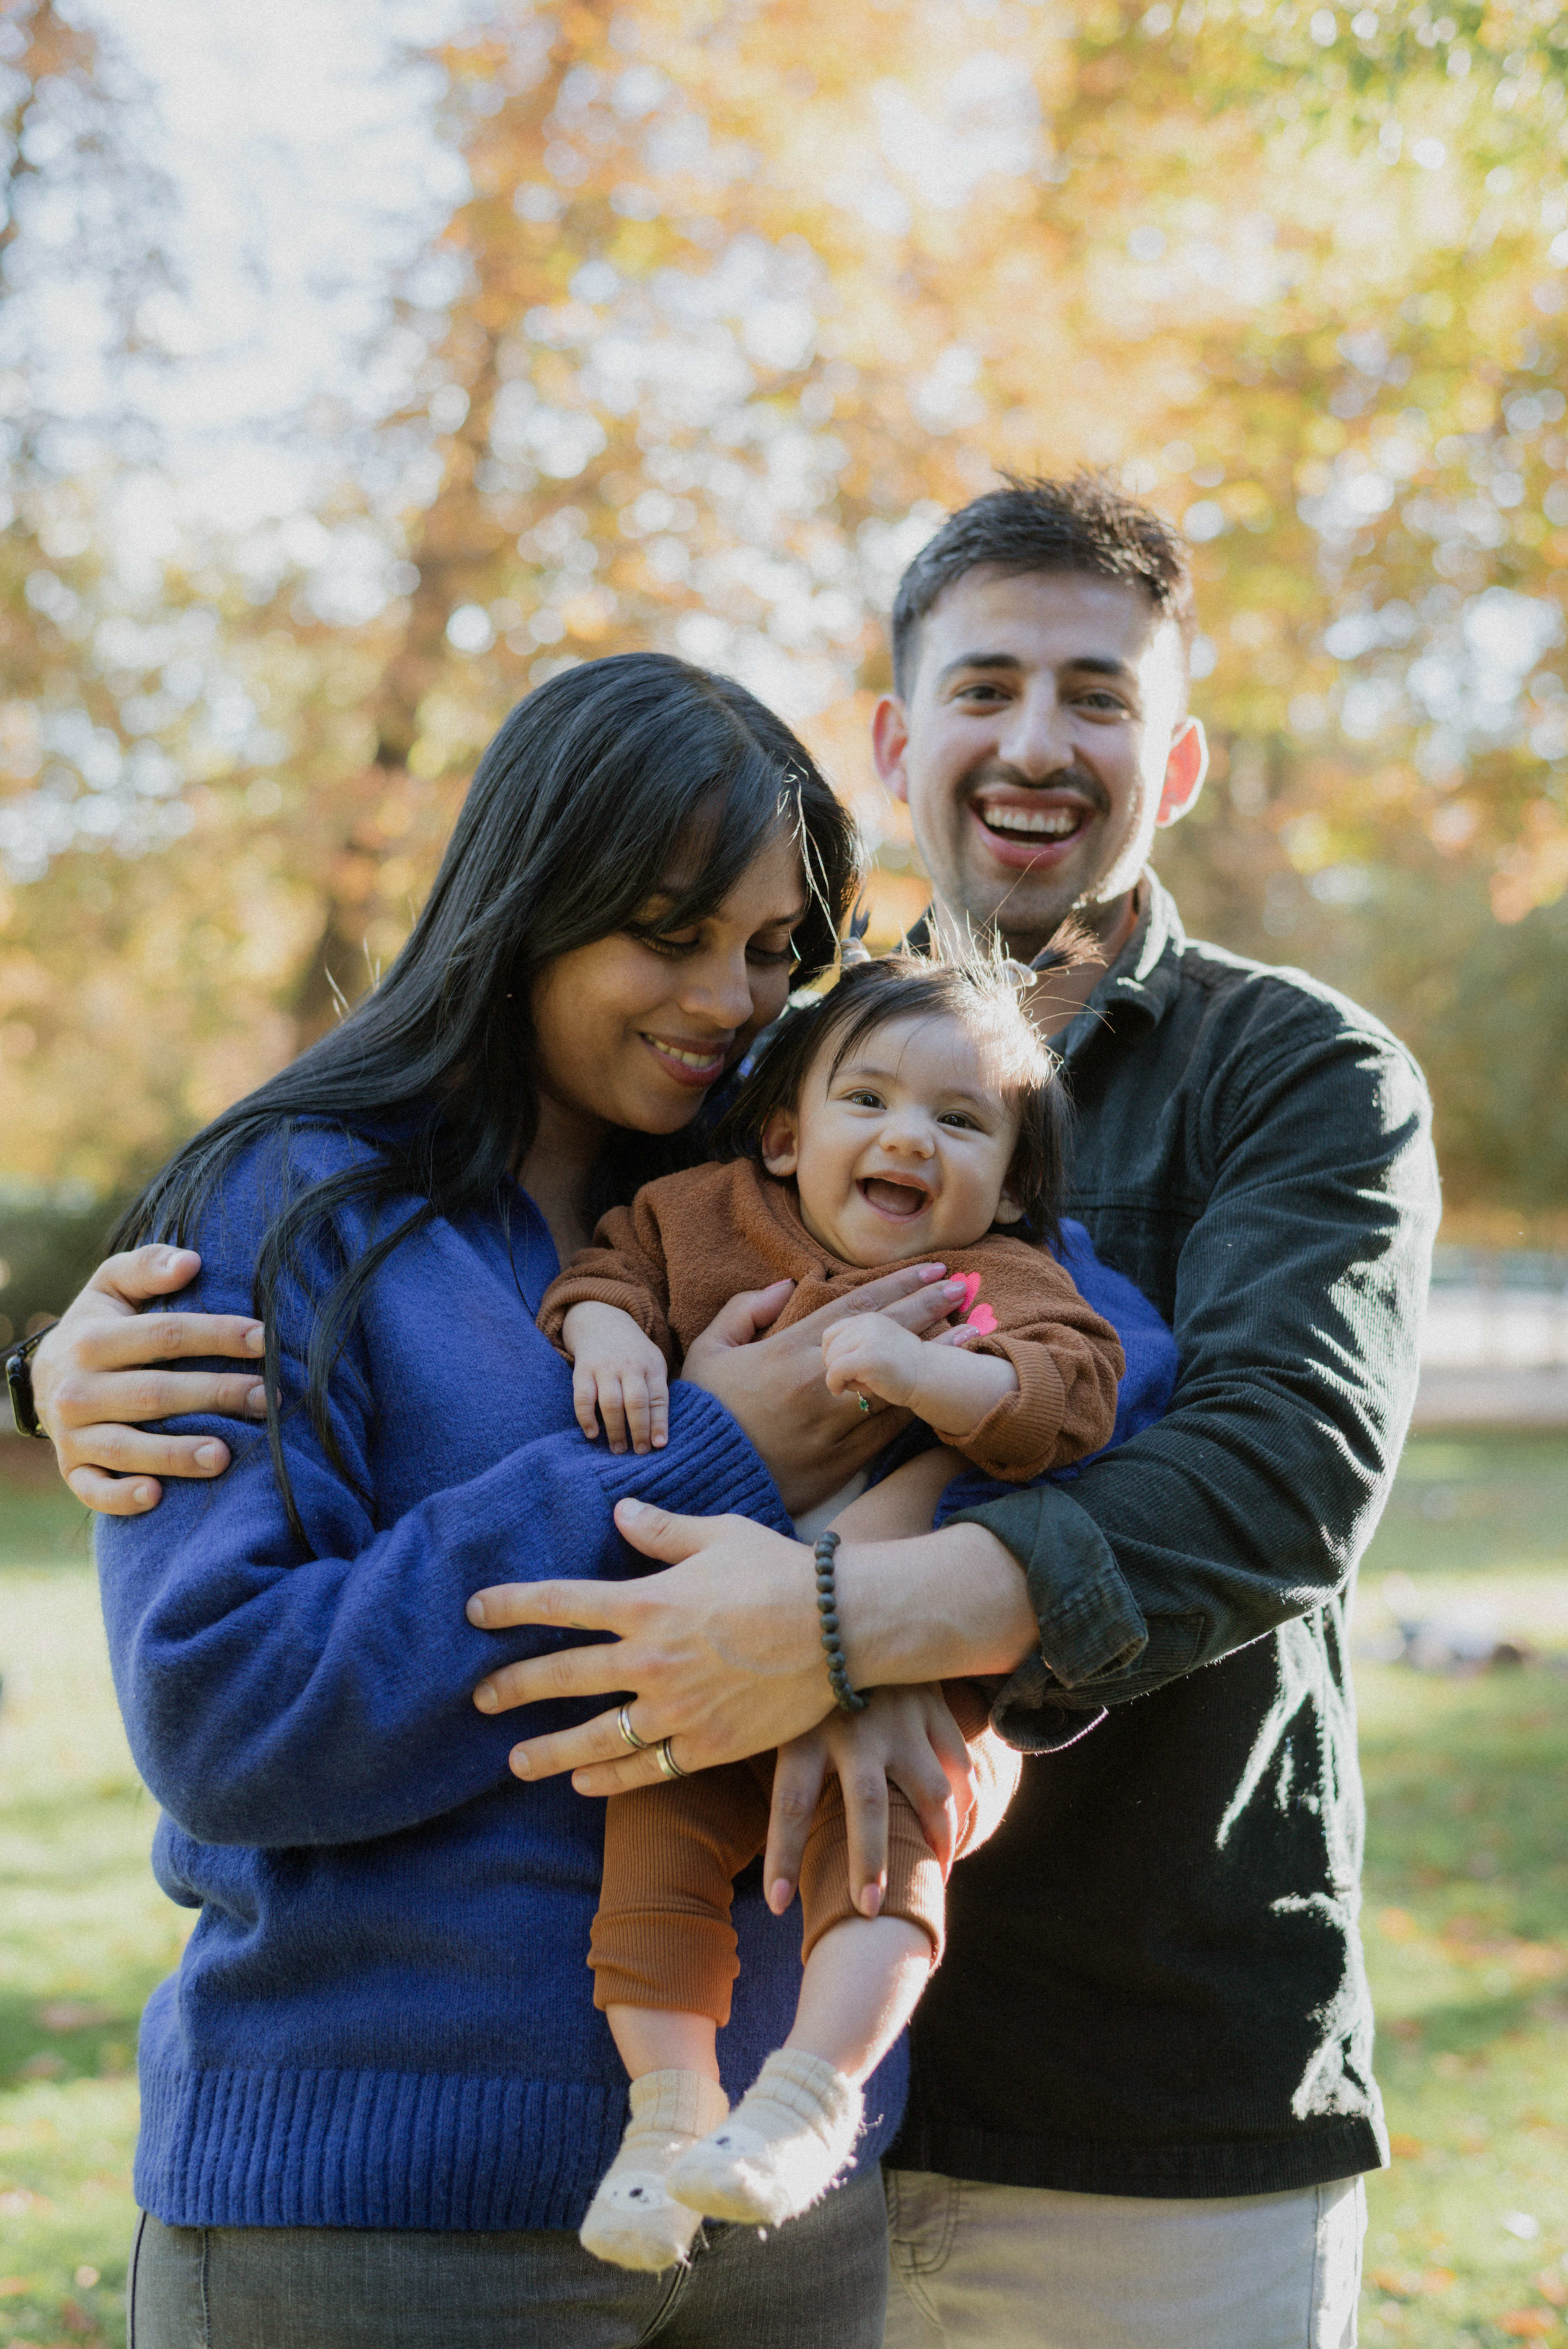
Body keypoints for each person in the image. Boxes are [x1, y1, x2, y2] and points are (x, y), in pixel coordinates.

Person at [26, 473, 1439, 2348]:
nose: (724, 997)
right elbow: (231, 1704)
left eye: (769, 950)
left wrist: (864, 1576)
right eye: (670, 933)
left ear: (1177, 758)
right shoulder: (404, 1199)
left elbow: (1207, 1420)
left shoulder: (907, 1139)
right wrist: (58, 1358)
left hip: (896, 2152)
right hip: (402, 2182)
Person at [548, 954, 1127, 2269]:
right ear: (785, 1134)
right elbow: (609, 1271)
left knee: (885, 1852)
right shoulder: (701, 1217)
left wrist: (936, 1374)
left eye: (962, 1121)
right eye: (866, 1100)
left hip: (899, 1673)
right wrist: (609, 1342)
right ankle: (669, 2118)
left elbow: (1073, 1397)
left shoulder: (1004, 1277)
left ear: (1016, 1182)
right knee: (647, 1845)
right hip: (699, 1654)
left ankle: (810, 2098)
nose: (907, 1137)